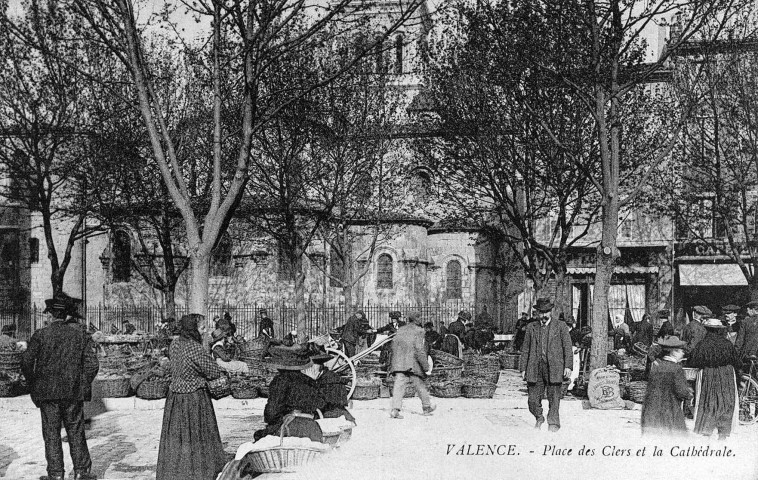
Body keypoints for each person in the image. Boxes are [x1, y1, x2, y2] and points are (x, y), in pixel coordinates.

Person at [21, 295, 99, 480]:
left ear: (51, 315)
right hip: (73, 393)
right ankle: (81, 472)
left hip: (47, 394)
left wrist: (35, 384)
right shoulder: (80, 334)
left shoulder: (40, 335)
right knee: (76, 431)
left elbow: (26, 362)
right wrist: (82, 383)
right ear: (65, 315)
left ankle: (56, 475)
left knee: (51, 433)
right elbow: (92, 365)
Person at [156, 314, 226, 480]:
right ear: (192, 329)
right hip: (194, 398)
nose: (204, 332)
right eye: (202, 328)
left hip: (175, 397)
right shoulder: (195, 348)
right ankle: (199, 471)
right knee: (196, 434)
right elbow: (213, 371)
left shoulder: (175, 343)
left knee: (178, 436)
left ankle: (176, 471)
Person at [519, 298, 572, 432]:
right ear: (537, 313)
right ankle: (539, 417)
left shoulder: (560, 326)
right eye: (541, 312)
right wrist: (523, 368)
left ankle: (553, 424)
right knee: (532, 400)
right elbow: (525, 349)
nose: (543, 315)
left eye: (546, 312)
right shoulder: (531, 327)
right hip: (535, 368)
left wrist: (568, 366)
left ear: (551, 312)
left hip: (554, 367)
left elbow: (567, 347)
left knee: (554, 398)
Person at [253, 346, 327, 442]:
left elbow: (272, 411)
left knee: (258, 436)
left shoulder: (280, 381)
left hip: (291, 428)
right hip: (313, 428)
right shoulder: (309, 381)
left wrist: (273, 421)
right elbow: (320, 404)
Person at [688, 318, 742, 439]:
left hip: (709, 374)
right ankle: (723, 433)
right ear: (719, 330)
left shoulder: (702, 344)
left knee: (708, 401)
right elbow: (737, 362)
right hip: (727, 374)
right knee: (726, 401)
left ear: (706, 329)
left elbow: (693, 361)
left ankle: (707, 430)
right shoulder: (727, 343)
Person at [640, 336, 693, 436]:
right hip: (670, 409)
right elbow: (681, 391)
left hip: (652, 410)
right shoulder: (676, 369)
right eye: (681, 351)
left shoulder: (657, 367)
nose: (683, 353)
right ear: (673, 352)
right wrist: (689, 394)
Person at [389, 310, 435, 419]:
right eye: (420, 318)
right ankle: (427, 407)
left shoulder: (400, 330)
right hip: (412, 363)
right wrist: (425, 366)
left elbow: (393, 345)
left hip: (399, 362)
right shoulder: (419, 331)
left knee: (399, 386)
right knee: (419, 384)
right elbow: (419, 350)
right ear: (417, 319)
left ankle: (395, 410)